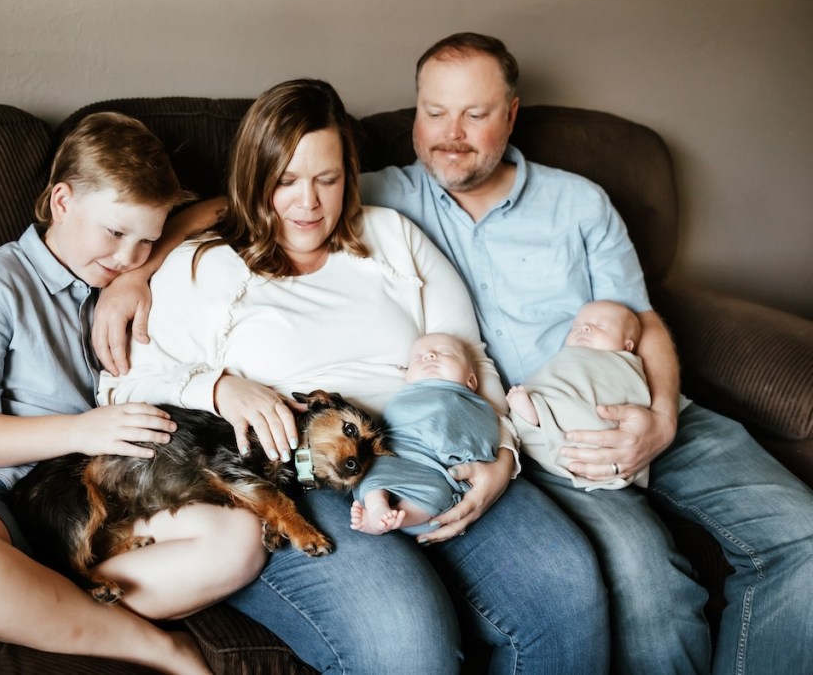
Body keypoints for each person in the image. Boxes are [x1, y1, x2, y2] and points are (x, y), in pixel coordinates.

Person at [95, 79, 608, 674]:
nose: (307, 203)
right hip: (304, 479)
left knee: (566, 589)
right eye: (285, 180)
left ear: (350, 174)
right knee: (408, 639)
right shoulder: (202, 265)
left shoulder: (393, 238)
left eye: (327, 179)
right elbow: (120, 388)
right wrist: (214, 387)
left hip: (438, 451)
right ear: (253, 175)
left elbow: (475, 359)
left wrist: (502, 456)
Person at [353, 32, 813, 673]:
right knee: (649, 583)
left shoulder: (578, 201)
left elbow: (644, 319)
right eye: (434, 112)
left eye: (475, 114)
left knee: (805, 535)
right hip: (546, 435)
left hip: (644, 401)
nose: (450, 134)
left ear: (511, 114)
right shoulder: (377, 198)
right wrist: (154, 256)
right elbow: (256, 199)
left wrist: (661, 418)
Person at [0, 112, 268, 674]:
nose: (129, 255)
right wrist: (83, 430)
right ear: (61, 201)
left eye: (147, 240)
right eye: (115, 232)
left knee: (240, 538)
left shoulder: (126, 276)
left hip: (82, 502)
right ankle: (154, 646)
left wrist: (140, 273)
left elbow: (221, 208)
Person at [350, 332, 503, 535]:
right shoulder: (404, 397)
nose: (429, 355)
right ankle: (378, 507)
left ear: (471, 381)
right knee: (371, 469)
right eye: (417, 358)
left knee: (436, 494)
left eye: (445, 353)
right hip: (394, 455)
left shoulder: (469, 405)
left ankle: (398, 518)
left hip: (434, 472)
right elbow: (390, 427)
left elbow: (482, 435)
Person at [506, 300, 652, 491]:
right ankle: (537, 414)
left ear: (627, 346)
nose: (585, 327)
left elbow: (634, 392)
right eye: (577, 326)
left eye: (601, 325)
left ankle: (538, 416)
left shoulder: (624, 365)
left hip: (607, 429)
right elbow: (554, 379)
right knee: (536, 398)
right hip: (557, 403)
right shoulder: (568, 358)